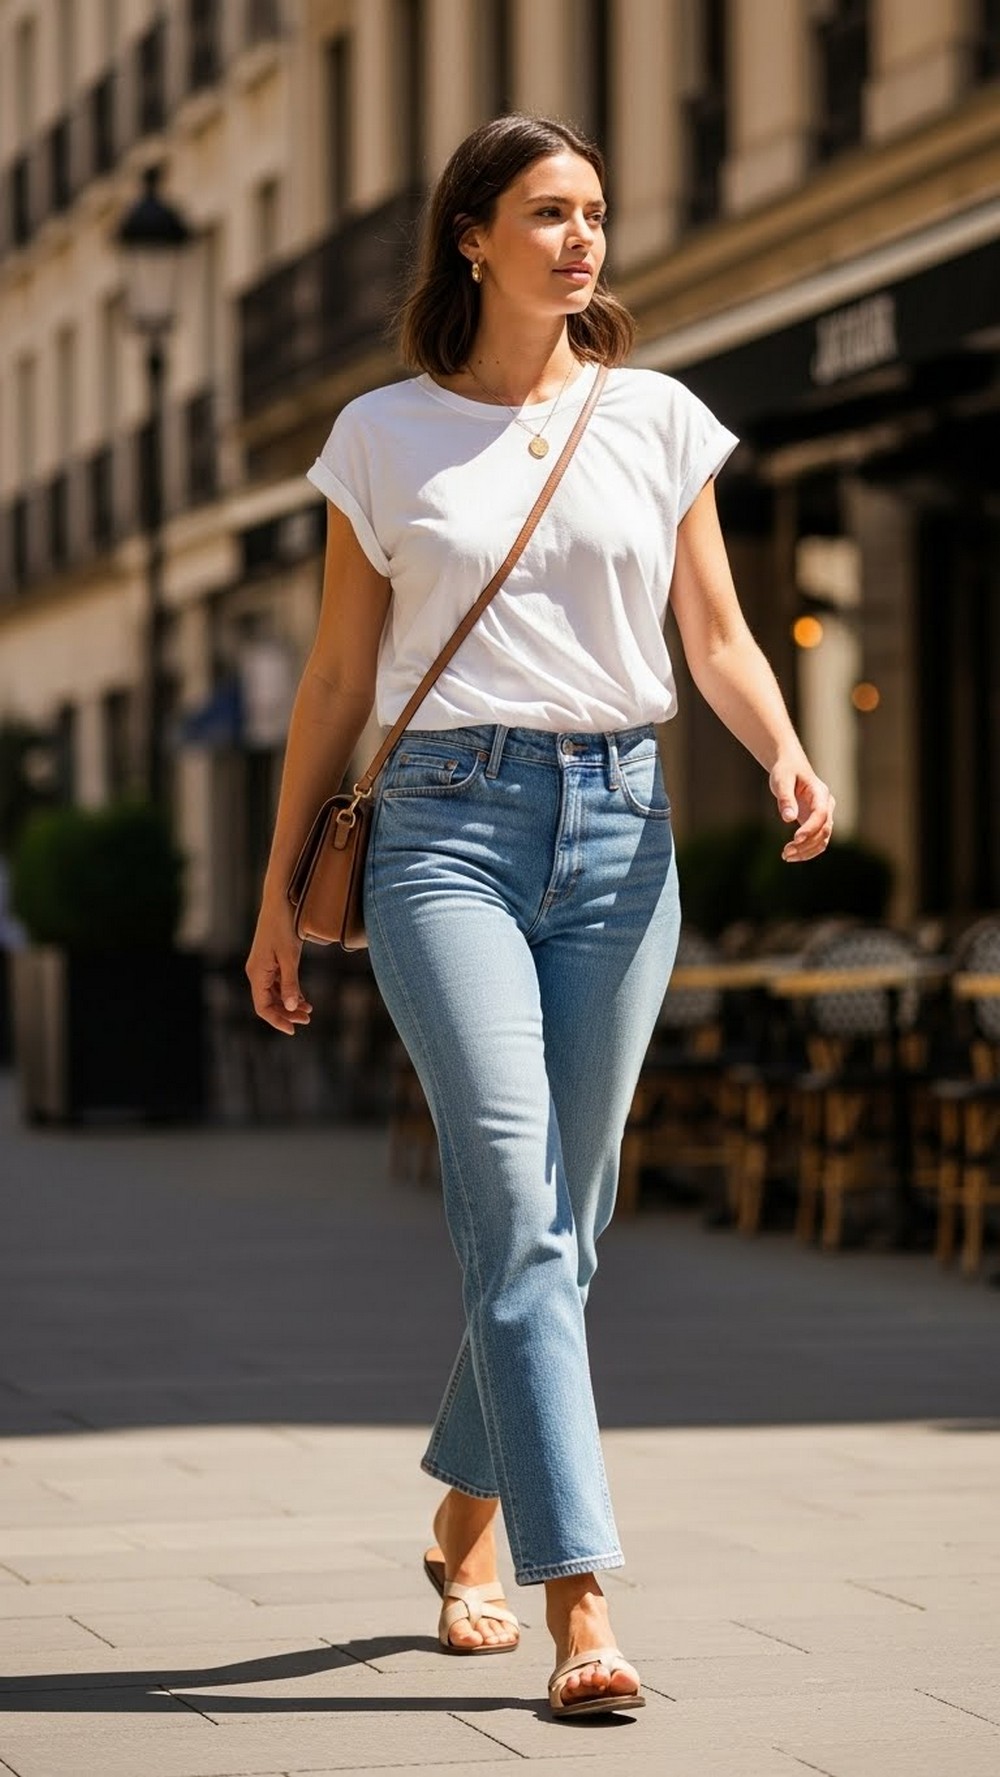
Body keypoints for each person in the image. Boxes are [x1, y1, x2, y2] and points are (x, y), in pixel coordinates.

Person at [246, 113, 834, 1720]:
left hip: (623, 830)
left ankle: (463, 1508)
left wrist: (785, 752)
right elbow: (337, 679)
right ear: (472, 236)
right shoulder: (381, 436)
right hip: (442, 832)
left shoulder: (655, 417)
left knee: (572, 1210)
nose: (583, 239)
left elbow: (717, 632)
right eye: (548, 212)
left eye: (594, 213)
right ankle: (580, 1598)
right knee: (514, 1205)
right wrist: (277, 894)